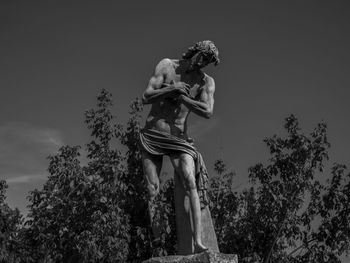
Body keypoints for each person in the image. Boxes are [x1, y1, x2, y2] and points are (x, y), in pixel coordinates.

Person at [139, 40, 220, 253]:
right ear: (194, 51)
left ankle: (198, 242)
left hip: (179, 139)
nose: (202, 62)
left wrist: (184, 98)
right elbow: (146, 96)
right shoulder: (167, 66)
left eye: (208, 61)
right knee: (152, 189)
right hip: (153, 134)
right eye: (202, 56)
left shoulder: (205, 82)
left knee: (190, 181)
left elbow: (208, 111)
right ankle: (158, 245)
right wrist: (171, 89)